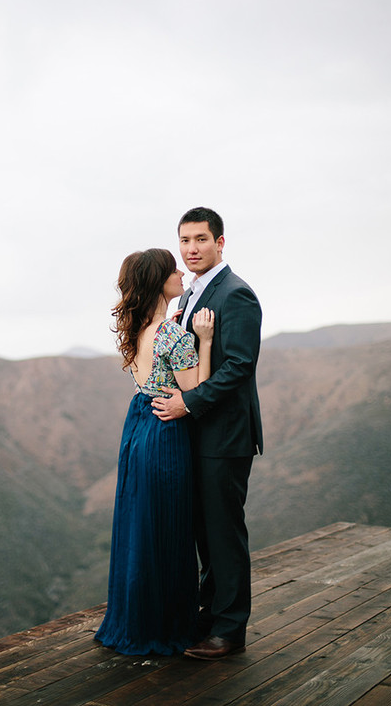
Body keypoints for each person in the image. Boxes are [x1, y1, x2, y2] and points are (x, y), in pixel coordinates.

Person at [152, 207, 263, 661]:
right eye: (185, 240)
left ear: (220, 242)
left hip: (224, 436)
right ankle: (209, 616)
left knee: (224, 534)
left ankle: (230, 630)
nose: (191, 249)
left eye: (201, 239)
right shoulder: (190, 295)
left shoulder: (236, 294)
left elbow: (239, 366)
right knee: (204, 533)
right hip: (195, 435)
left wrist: (188, 402)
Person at [94, 248, 215, 655]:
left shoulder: (139, 328)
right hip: (166, 432)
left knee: (140, 526)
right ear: (158, 281)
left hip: (138, 428)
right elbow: (197, 390)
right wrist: (204, 341)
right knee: (168, 527)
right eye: (171, 269)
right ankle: (165, 625)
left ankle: (135, 619)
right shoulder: (174, 336)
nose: (181, 272)